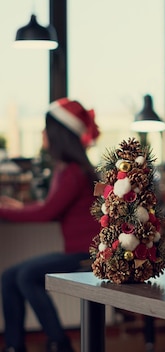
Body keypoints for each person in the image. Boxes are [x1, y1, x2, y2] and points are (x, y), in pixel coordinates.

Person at [0, 98, 100, 352]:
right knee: (9, 277)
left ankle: (60, 343)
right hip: (76, 252)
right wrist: (20, 208)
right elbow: (53, 208)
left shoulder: (73, 172)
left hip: (88, 255)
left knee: (26, 276)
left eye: (46, 129)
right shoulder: (67, 170)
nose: (43, 134)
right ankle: (14, 346)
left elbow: (47, 212)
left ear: (58, 134)